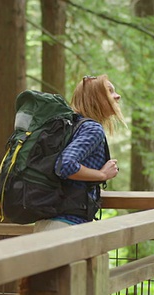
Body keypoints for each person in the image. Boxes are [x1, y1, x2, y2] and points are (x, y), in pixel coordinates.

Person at [34, 74, 124, 232]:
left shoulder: (73, 126)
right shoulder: (92, 129)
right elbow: (65, 165)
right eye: (110, 91)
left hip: (50, 224)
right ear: (96, 98)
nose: (117, 96)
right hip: (66, 227)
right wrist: (102, 175)